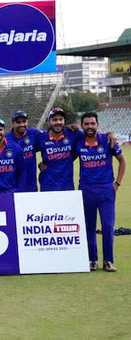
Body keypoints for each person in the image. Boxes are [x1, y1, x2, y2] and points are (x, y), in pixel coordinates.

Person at [76, 112, 125, 272]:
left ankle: (108, 261)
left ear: (97, 125)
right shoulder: (79, 142)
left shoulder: (106, 140)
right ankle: (92, 260)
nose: (89, 127)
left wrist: (117, 183)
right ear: (82, 125)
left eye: (92, 123)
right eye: (86, 124)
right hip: (86, 189)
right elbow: (64, 158)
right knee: (89, 226)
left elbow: (122, 161)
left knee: (108, 226)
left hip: (106, 189)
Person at [36, 108, 85, 191]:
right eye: (55, 120)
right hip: (47, 184)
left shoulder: (73, 133)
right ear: (48, 122)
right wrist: (39, 165)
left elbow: (92, 135)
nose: (58, 122)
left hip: (67, 184)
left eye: (60, 119)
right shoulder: (41, 137)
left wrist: (107, 136)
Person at [6, 110, 41, 192]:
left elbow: (50, 141)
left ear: (27, 122)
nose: (22, 124)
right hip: (13, 186)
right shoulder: (6, 139)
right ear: (13, 123)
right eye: (18, 122)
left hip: (31, 185)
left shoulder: (34, 134)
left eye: (24, 121)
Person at [0, 118, 26, 193]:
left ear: (4, 130)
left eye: (0, 130)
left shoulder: (16, 148)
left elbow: (22, 172)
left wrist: (19, 190)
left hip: (11, 191)